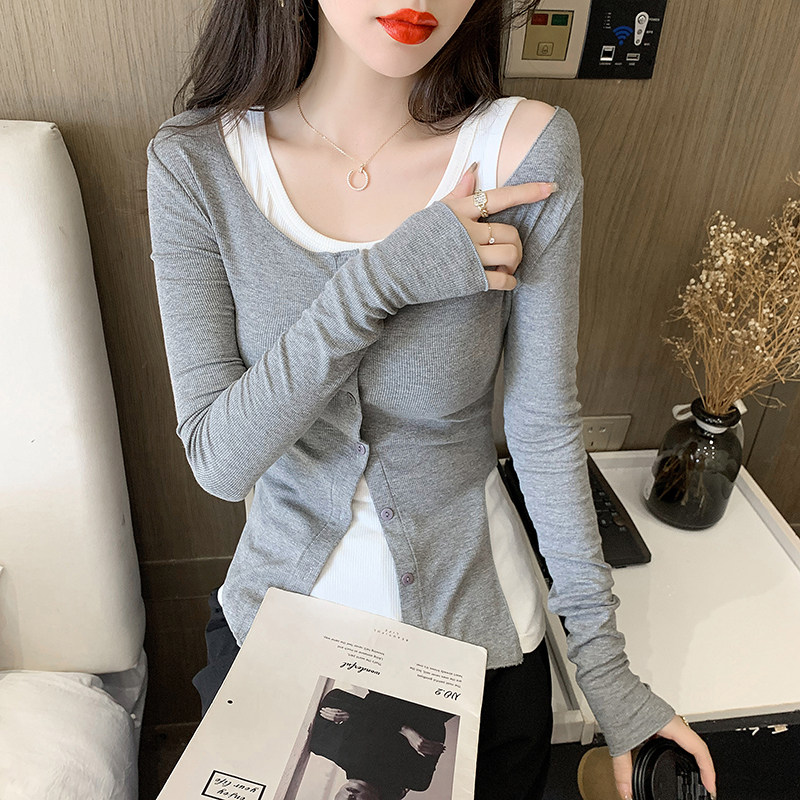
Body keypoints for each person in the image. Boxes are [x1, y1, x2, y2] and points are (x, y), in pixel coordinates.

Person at [145, 2, 718, 799]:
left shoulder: (524, 151)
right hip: (278, 628)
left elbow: (543, 424)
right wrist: (379, 282)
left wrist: (605, 669)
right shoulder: (195, 162)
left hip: (477, 635)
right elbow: (219, 460)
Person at [310, 688, 455, 799]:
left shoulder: (323, 745)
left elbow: (335, 698)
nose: (349, 799)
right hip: (436, 699)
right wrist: (357, 717)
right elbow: (436, 728)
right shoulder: (417, 780)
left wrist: (404, 730)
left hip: (390, 683)